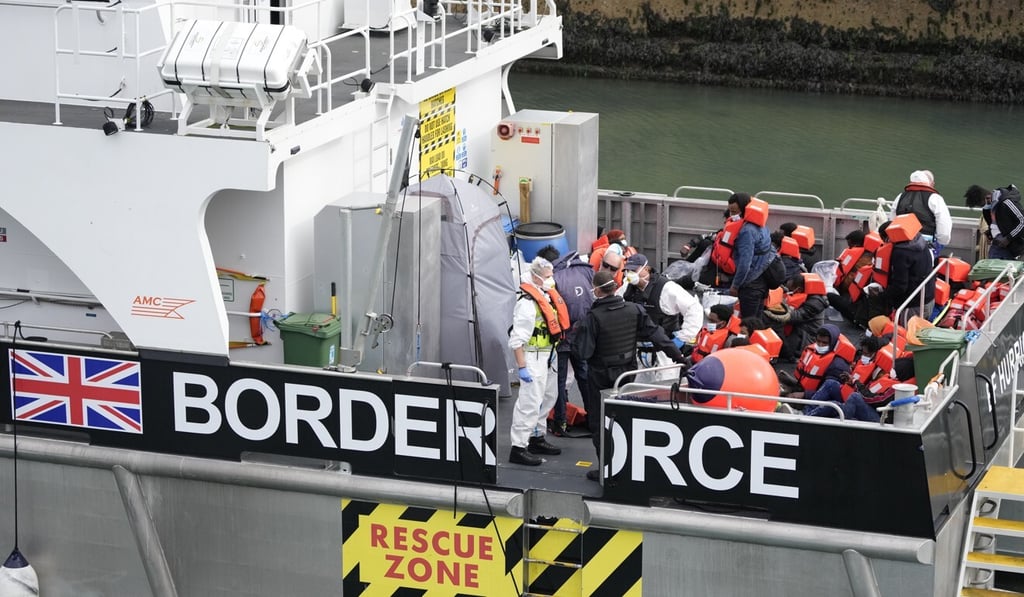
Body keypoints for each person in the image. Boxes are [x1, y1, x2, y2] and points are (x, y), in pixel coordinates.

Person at [571, 270, 687, 480]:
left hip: (600, 376)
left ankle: (606, 469)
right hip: (628, 374)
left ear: (596, 291)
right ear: (615, 287)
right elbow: (657, 335)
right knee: (626, 418)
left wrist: (577, 332)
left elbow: (582, 353)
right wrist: (679, 357)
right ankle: (629, 466)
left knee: (599, 421)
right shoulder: (635, 310)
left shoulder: (593, 317)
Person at [507, 257, 567, 466]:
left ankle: (536, 437)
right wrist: (522, 367)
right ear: (535, 277)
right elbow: (517, 340)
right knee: (529, 403)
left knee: (549, 397)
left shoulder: (546, 296)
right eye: (548, 276)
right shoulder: (526, 303)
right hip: (533, 357)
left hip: (549, 355)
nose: (552, 280)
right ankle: (518, 447)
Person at [622, 253, 703, 379]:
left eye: (634, 270)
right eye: (627, 271)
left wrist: (682, 337)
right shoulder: (627, 289)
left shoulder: (667, 288)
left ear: (646, 268)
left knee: (665, 387)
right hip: (638, 351)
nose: (629, 274)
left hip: (664, 353)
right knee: (638, 389)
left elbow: (694, 308)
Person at [545, 246, 594, 437]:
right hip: (582, 335)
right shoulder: (585, 270)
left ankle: (560, 422)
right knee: (584, 376)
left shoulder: (553, 279)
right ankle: (594, 419)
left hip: (562, 338)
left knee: (559, 380)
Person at [869, 216, 935, 322]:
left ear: (888, 238)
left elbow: (900, 286)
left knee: (904, 332)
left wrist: (880, 295)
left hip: (912, 305)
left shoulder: (901, 253)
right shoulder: (919, 240)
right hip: (928, 298)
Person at [724, 193, 775, 318]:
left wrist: (735, 286)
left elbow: (745, 263)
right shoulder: (761, 224)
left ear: (744, 210)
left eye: (734, 211)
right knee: (757, 318)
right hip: (762, 277)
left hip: (751, 283)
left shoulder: (747, 231)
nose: (731, 214)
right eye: (730, 211)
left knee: (748, 321)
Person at [763, 272, 829, 362]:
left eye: (790, 290)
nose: (789, 292)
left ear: (799, 289)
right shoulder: (807, 295)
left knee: (773, 324)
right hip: (796, 331)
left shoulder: (815, 303)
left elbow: (795, 317)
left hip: (804, 339)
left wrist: (773, 309)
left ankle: (787, 355)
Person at [779, 324, 853, 398]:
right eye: (818, 341)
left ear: (833, 343)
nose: (820, 345)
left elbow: (829, 393)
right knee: (780, 380)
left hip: (817, 398)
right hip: (804, 388)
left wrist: (804, 395)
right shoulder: (813, 351)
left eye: (824, 343)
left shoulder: (837, 366)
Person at [890, 169, 952, 254]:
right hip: (924, 248)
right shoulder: (935, 198)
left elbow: (892, 221)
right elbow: (944, 224)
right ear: (929, 183)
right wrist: (941, 242)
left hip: (900, 246)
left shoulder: (900, 197)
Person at [964, 184, 1024, 260]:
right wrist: (990, 233)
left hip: (1013, 245)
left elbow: (1022, 221)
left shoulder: (1007, 202)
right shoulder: (988, 207)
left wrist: (1008, 238)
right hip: (998, 244)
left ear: (987, 197)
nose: (983, 207)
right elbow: (996, 223)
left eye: (982, 204)